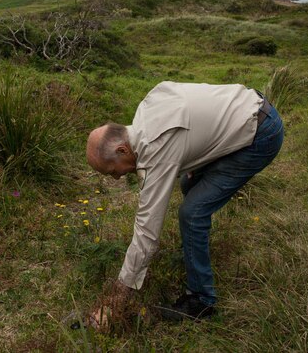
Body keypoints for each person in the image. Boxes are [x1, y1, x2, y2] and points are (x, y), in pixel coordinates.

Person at [85, 81, 284, 323]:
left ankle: (200, 302)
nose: (116, 177)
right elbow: (179, 111)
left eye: (111, 171)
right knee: (188, 185)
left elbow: (147, 233)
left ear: (122, 150)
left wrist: (119, 295)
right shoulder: (146, 108)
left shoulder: (155, 150)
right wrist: (193, 159)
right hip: (249, 106)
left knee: (193, 213)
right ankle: (193, 252)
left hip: (260, 134)